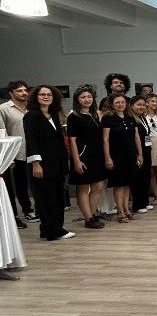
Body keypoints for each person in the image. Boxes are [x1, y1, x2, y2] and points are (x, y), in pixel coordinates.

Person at [23, 85, 74, 240]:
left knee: (57, 197)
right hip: (41, 164)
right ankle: (53, 231)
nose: (46, 97)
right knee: (46, 199)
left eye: (49, 94)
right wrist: (36, 163)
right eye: (42, 94)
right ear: (36, 97)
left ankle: (50, 229)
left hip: (56, 163)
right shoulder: (31, 116)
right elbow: (31, 141)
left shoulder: (53, 115)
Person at [67, 85, 106, 229]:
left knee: (98, 186)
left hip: (97, 155)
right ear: (77, 99)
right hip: (82, 156)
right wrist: (76, 160)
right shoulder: (73, 117)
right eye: (83, 97)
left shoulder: (96, 114)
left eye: (89, 97)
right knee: (83, 188)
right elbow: (72, 141)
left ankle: (92, 213)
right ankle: (88, 218)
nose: (87, 99)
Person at [0, 80, 37, 227]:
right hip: (15, 154)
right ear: (11, 93)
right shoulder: (4, 109)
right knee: (18, 184)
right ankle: (21, 212)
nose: (24, 93)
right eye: (19, 91)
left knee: (34, 183)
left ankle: (33, 210)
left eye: (25, 90)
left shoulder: (32, 107)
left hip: (33, 152)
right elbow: (2, 133)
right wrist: (7, 157)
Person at [102, 94, 142, 223]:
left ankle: (126, 209)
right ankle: (120, 211)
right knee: (119, 184)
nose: (120, 104)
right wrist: (107, 158)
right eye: (117, 102)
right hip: (116, 156)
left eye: (123, 102)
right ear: (112, 104)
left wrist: (140, 154)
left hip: (130, 155)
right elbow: (105, 139)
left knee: (128, 183)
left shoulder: (130, 117)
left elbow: (136, 137)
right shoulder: (108, 118)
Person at [130, 96, 153, 215]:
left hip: (147, 150)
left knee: (146, 177)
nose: (141, 107)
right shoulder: (131, 119)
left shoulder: (142, 117)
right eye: (138, 105)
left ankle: (145, 201)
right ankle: (137, 205)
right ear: (131, 106)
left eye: (143, 105)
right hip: (137, 152)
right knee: (138, 178)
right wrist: (139, 154)